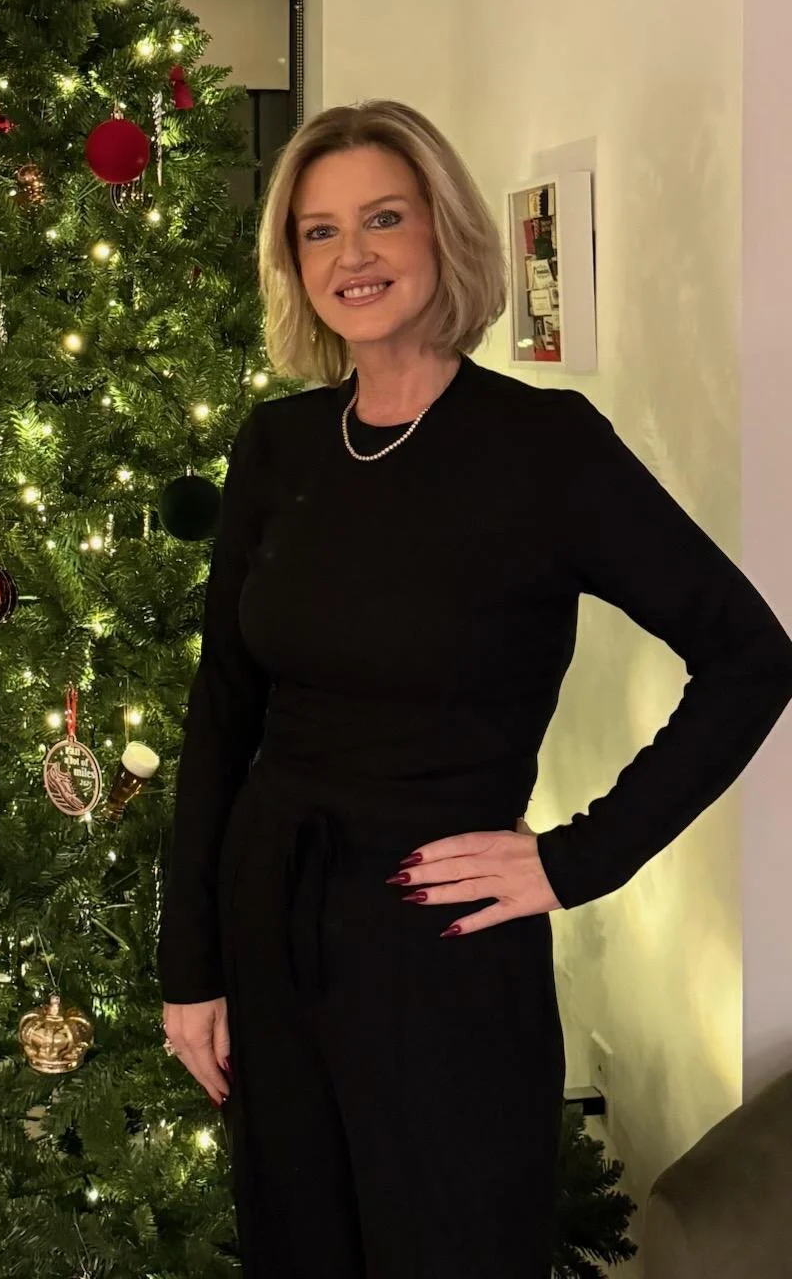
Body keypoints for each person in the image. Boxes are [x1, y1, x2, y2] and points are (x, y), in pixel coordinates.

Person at [156, 100, 792, 1278]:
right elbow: (222, 713)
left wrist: (571, 858)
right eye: (319, 231)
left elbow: (753, 658)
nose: (354, 256)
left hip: (440, 937)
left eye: (383, 219)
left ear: (442, 232)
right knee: (301, 1245)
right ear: (292, 263)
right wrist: (188, 968)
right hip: (271, 915)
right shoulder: (278, 446)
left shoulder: (544, 448)